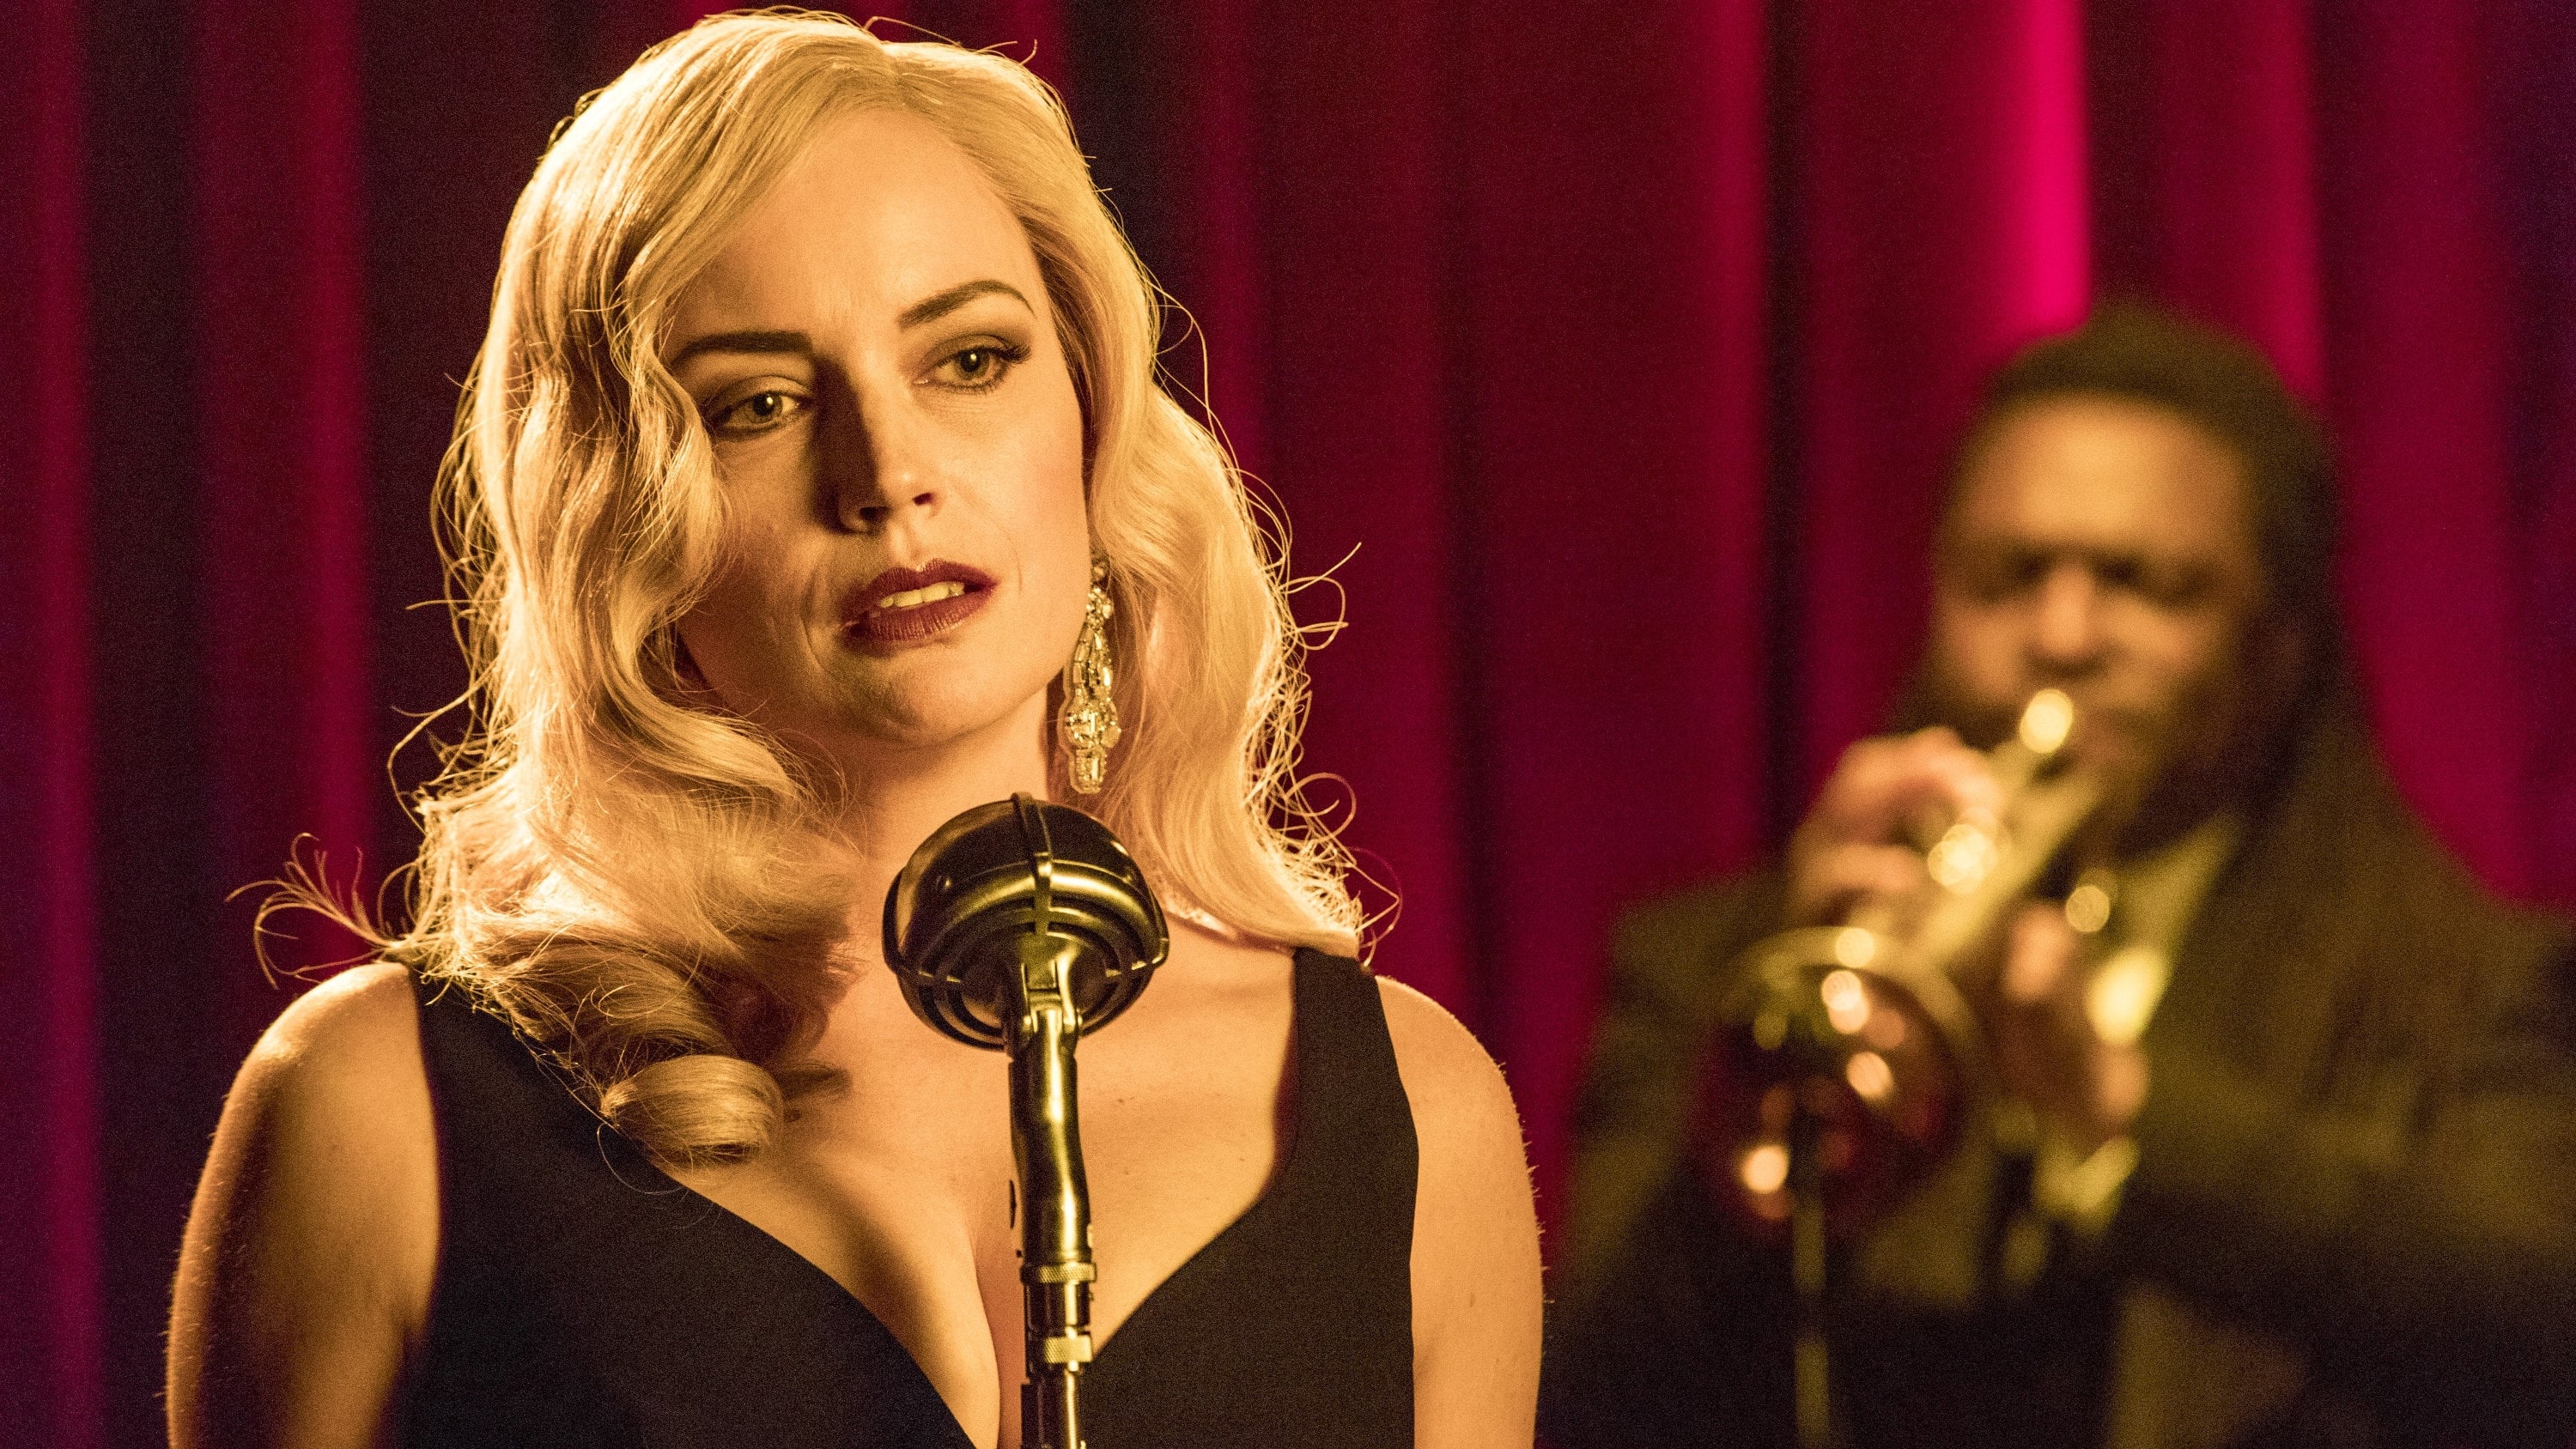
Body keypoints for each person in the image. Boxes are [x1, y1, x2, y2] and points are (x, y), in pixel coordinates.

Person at [166, 15, 1540, 1448]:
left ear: (1091, 414)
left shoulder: (1416, 1117)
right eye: (757, 403)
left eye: (970, 359)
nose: (889, 473)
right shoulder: (382, 1114)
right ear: (622, 514)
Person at [1541, 306, 2576, 1449]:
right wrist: (1777, 1081)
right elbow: (1584, 1405)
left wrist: (2122, 1111)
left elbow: (2535, 1344)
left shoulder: (2472, 987)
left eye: (2145, 585)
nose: (2064, 636)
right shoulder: (1715, 965)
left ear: (2282, 643)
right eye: (2006, 578)